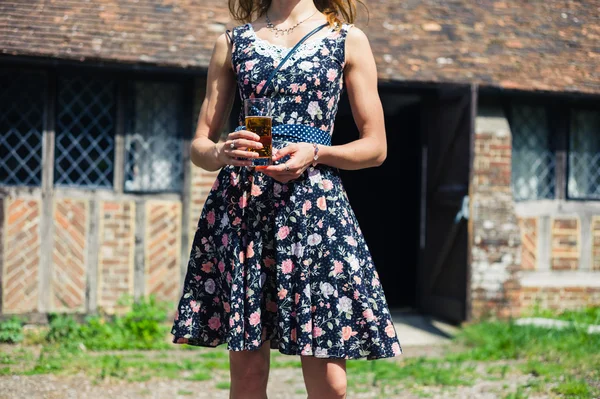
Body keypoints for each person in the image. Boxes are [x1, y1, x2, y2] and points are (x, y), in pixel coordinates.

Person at [171, 0, 402, 397]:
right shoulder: (232, 42)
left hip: (316, 210)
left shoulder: (347, 40)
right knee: (246, 375)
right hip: (245, 209)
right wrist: (222, 150)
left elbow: (376, 148)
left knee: (331, 383)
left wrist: (316, 153)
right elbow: (199, 145)